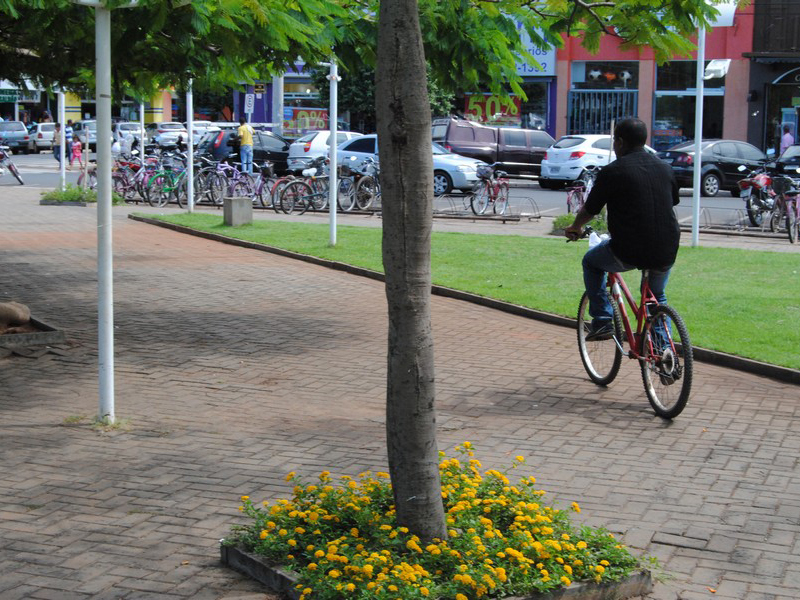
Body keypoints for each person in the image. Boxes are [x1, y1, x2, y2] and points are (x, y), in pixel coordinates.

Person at [565, 117, 680, 341]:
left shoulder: (613, 171)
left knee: (591, 262)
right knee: (657, 296)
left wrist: (576, 227)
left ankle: (602, 320)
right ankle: (665, 353)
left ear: (619, 142)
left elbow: (590, 209)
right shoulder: (665, 168)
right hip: (667, 247)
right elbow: (671, 202)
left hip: (628, 250)